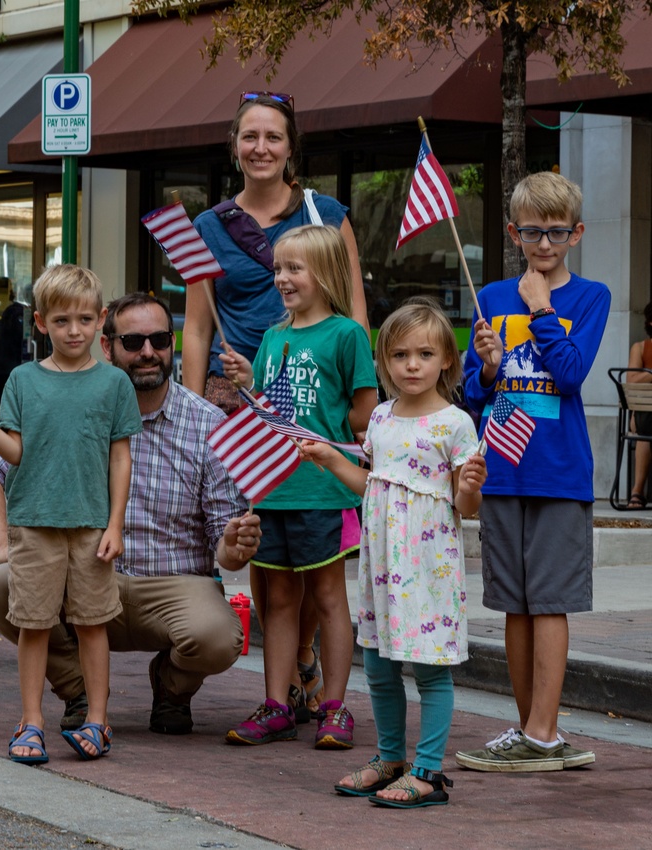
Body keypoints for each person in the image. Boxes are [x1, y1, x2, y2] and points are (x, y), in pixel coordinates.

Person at [0, 292, 262, 737]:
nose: (148, 352)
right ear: (106, 345)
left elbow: (224, 549)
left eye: (161, 340)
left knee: (217, 637)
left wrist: (237, 542)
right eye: (133, 341)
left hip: (167, 586)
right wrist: (2, 546)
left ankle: (171, 688)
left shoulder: (208, 424)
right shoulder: (57, 397)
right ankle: (79, 690)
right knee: (0, 587)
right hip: (77, 571)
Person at [188, 92, 370, 715]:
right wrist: (194, 412)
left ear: (291, 147)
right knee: (268, 562)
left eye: (273, 137)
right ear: (234, 145)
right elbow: (195, 330)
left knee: (320, 569)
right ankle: (290, 673)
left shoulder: (324, 213)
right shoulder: (210, 226)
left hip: (316, 405)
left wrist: (356, 413)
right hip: (241, 397)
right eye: (249, 137)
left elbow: (355, 313)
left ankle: (306, 670)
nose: (260, 148)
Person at [0, 264, 142, 765]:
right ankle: (30, 720)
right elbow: (13, 452)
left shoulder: (115, 383)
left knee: (93, 625)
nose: (73, 330)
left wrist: (116, 523)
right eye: (60, 321)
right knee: (34, 625)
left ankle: (97, 720)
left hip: (93, 525)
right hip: (33, 524)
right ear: (40, 323)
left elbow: (121, 457)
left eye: (83, 319)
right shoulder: (23, 381)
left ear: (101, 321)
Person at [301, 299, 486, 808]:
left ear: (446, 358)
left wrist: (470, 485)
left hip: (428, 568)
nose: (412, 364)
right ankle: (389, 757)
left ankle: (427, 770)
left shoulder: (455, 424)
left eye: (425, 353)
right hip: (382, 568)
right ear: (384, 361)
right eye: (400, 354)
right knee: (380, 666)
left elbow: (465, 505)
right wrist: (328, 458)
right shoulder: (380, 416)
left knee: (429, 668)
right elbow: (372, 483)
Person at [457, 171, 608, 771]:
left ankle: (543, 733)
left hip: (559, 470)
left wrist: (542, 308)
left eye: (555, 232)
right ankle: (531, 730)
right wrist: (489, 370)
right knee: (514, 604)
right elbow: (473, 393)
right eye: (531, 232)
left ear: (576, 233)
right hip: (503, 467)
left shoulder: (590, 296)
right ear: (514, 231)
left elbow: (570, 374)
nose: (543, 244)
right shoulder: (490, 297)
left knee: (549, 602)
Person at [219, 225, 378, 747]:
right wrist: (250, 384)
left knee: (330, 597)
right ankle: (276, 703)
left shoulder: (347, 334)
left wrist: (328, 443)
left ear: (325, 274)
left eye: (294, 269)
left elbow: (363, 411)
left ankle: (334, 706)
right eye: (279, 268)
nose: (282, 278)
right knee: (279, 600)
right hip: (272, 489)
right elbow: (270, 407)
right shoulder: (272, 337)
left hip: (322, 489)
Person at [624, 300, 652, 509]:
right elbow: (631, 380)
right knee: (645, 428)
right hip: (645, 412)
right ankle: (637, 492)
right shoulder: (641, 348)